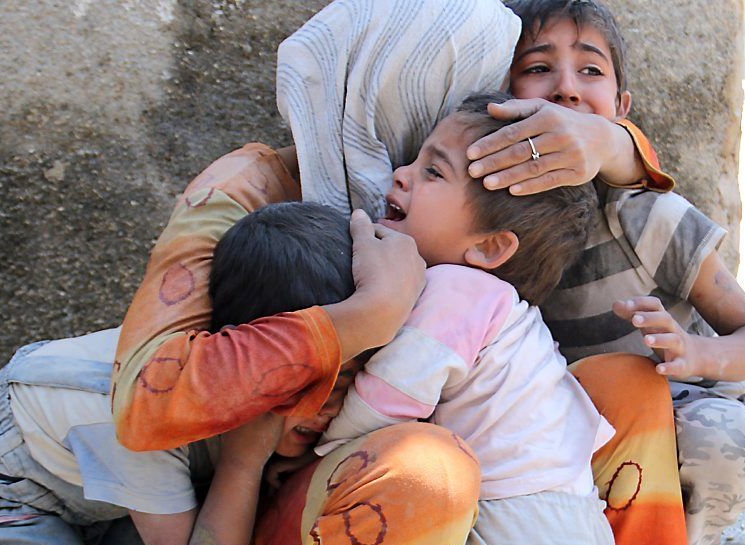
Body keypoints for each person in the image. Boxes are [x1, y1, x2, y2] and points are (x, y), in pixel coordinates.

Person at [111, 1, 693, 544]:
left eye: (493, 97)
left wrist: (617, 144)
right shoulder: (249, 189)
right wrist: (365, 316)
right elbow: (144, 408)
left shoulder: (483, 188)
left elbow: (610, 154)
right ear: (362, 89)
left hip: (458, 486)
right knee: (430, 470)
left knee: (629, 385)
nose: (482, 119)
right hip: (261, 468)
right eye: (448, 95)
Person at [471, 2, 745, 544]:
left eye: (590, 70)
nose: (566, 88)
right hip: (570, 435)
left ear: (620, 108)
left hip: (680, 412)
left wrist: (694, 352)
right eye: (538, 67)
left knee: (716, 438)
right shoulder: (478, 224)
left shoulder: (647, 217)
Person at [0, 202, 369, 545]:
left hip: (98, 482)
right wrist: (244, 464)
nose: (329, 407)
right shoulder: (143, 417)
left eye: (345, 383)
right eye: (312, 387)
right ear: (240, 354)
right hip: (7, 486)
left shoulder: (236, 371)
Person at [314, 91, 615, 545]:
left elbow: (388, 398)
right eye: (415, 161)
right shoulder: (505, 311)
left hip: (515, 516)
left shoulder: (456, 289)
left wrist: (322, 456)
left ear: (490, 247)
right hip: (571, 509)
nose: (400, 174)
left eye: (432, 171)